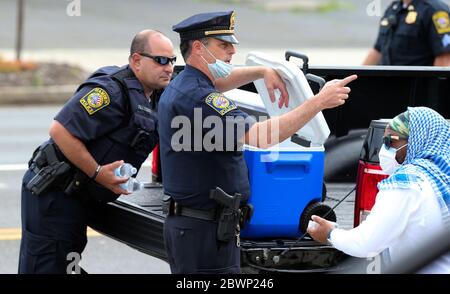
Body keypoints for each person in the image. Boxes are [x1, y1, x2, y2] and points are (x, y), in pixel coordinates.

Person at [158, 11, 358, 274]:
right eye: (223, 45)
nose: (232, 50)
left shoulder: (187, 84)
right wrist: (318, 102)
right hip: (203, 233)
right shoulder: (200, 98)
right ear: (198, 48)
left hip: (198, 227)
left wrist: (262, 72)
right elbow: (261, 137)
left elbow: (220, 81)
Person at [18, 30, 175, 274]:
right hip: (55, 194)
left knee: (66, 262)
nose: (169, 68)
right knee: (48, 265)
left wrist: (255, 72)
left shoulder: (154, 92)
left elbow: (200, 82)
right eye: (161, 60)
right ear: (136, 60)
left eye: (172, 61)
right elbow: (60, 130)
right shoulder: (109, 92)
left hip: (78, 196)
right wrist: (98, 172)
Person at [308, 107, 450, 272]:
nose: (383, 150)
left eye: (390, 141)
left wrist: (330, 233)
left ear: (417, 139)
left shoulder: (405, 185)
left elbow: (366, 243)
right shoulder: (440, 180)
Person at [363, 0, 450, 66]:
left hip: (417, 87)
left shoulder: (435, 10)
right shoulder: (394, 8)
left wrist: (435, 88)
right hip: (387, 85)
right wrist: (357, 79)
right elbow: (377, 50)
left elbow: (445, 57)